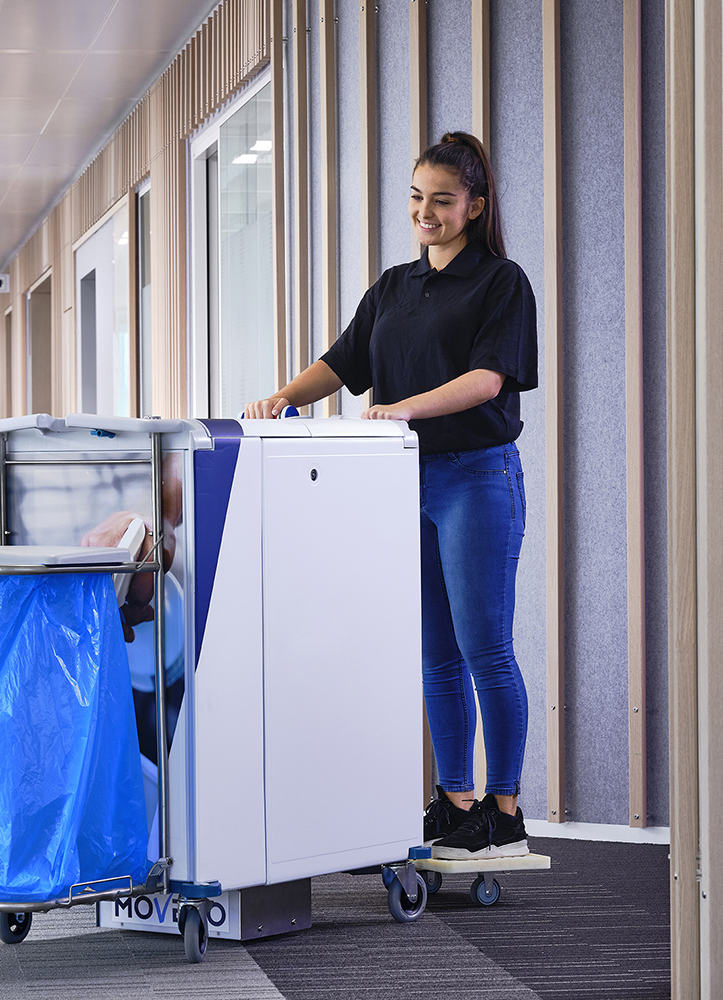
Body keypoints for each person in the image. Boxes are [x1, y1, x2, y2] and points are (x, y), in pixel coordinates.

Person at [244, 131, 537, 859]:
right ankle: (456, 798)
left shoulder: (500, 283)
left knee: (485, 650)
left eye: (441, 200)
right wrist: (283, 395)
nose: (424, 212)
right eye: (415, 197)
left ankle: (503, 808)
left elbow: (487, 380)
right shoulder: (393, 288)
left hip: (475, 477)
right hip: (400, 481)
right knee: (434, 655)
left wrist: (405, 407)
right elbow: (341, 363)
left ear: (473, 206)